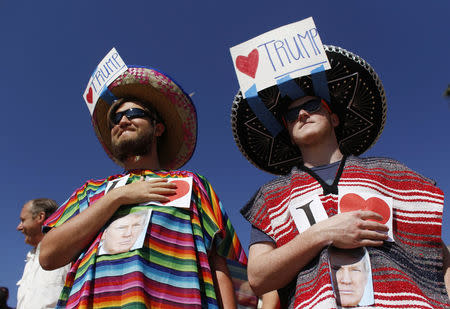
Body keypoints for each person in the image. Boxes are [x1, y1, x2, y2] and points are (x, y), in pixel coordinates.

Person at [231, 45, 450, 307]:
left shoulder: (390, 173)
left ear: (334, 118)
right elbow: (258, 278)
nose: (301, 114)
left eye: (312, 105)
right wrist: (323, 233)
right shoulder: (271, 197)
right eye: (290, 115)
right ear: (289, 132)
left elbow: (438, 256)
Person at [39, 60, 253, 308]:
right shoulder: (88, 192)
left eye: (133, 113)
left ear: (158, 128)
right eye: (115, 119)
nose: (122, 121)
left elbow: (219, 262)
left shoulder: (190, 183)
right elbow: (48, 255)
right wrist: (118, 197)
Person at [16, 198, 70, 309]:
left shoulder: (67, 251)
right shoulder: (30, 259)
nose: (19, 227)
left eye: (23, 220)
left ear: (40, 217)